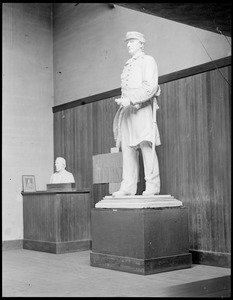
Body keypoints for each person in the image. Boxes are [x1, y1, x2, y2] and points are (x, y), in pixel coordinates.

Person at [112, 31, 161, 197]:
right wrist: (125, 101)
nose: (128, 44)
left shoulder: (147, 60)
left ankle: (153, 186)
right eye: (127, 42)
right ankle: (127, 186)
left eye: (132, 41)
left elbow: (150, 86)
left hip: (141, 108)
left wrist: (131, 99)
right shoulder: (128, 64)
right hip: (127, 110)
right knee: (127, 148)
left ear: (141, 43)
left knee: (146, 145)